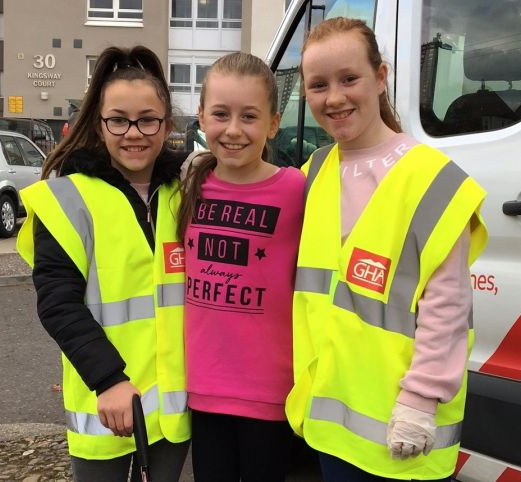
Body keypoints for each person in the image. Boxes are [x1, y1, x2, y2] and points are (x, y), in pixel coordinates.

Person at [285, 17, 488, 481]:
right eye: (318, 85)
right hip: (333, 425)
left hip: (402, 427)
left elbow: (448, 304)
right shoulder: (315, 170)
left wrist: (420, 399)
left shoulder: (430, 178)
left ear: (381, 76)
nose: (333, 97)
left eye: (349, 78)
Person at [15, 45, 190, 482]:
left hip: (171, 407)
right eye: (119, 119)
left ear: (166, 124)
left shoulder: (185, 193)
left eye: (148, 119)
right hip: (107, 403)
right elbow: (58, 302)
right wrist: (108, 379)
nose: (134, 132)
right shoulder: (67, 198)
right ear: (99, 123)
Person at [177, 52, 305, 481]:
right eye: (220, 114)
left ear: (273, 123)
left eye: (249, 116)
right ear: (200, 117)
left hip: (270, 393)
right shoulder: (186, 184)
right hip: (203, 390)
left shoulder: (297, 190)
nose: (233, 130)